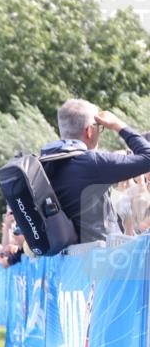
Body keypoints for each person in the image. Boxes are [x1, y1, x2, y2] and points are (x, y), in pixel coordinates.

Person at [42, 99, 150, 243]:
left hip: (66, 260)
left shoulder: (46, 163)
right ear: (89, 131)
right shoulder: (92, 162)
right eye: (99, 127)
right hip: (100, 259)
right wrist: (119, 125)